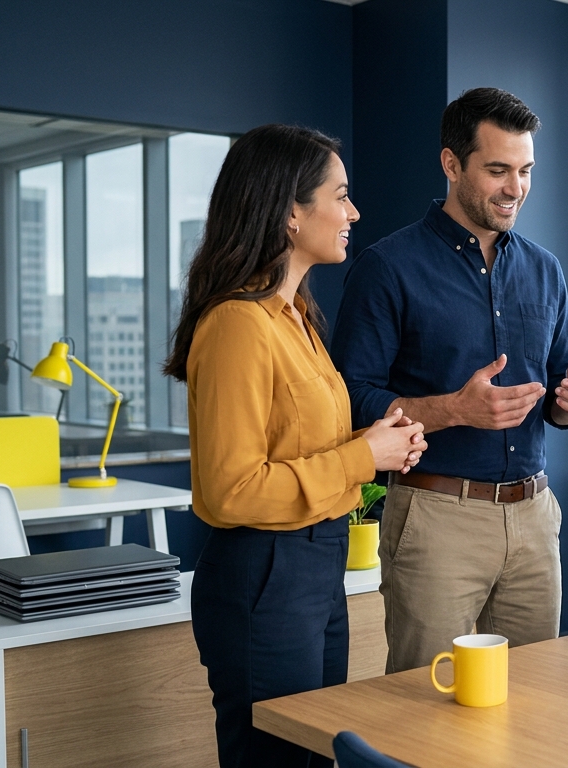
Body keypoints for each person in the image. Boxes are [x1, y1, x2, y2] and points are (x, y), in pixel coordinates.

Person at [164, 124, 426, 767]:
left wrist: (375, 446)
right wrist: (365, 457)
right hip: (264, 573)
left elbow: (301, 450)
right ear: (289, 212)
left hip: (315, 567)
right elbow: (230, 491)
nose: (353, 213)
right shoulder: (237, 325)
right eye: (339, 196)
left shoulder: (297, 318)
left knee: (313, 756)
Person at [331, 88, 568, 673]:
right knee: (424, 705)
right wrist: (452, 409)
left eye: (524, 171)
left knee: (533, 701)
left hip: (535, 517)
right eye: (497, 170)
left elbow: (555, 398)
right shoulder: (387, 267)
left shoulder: (546, 269)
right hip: (436, 517)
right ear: (452, 165)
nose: (515, 188)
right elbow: (348, 399)